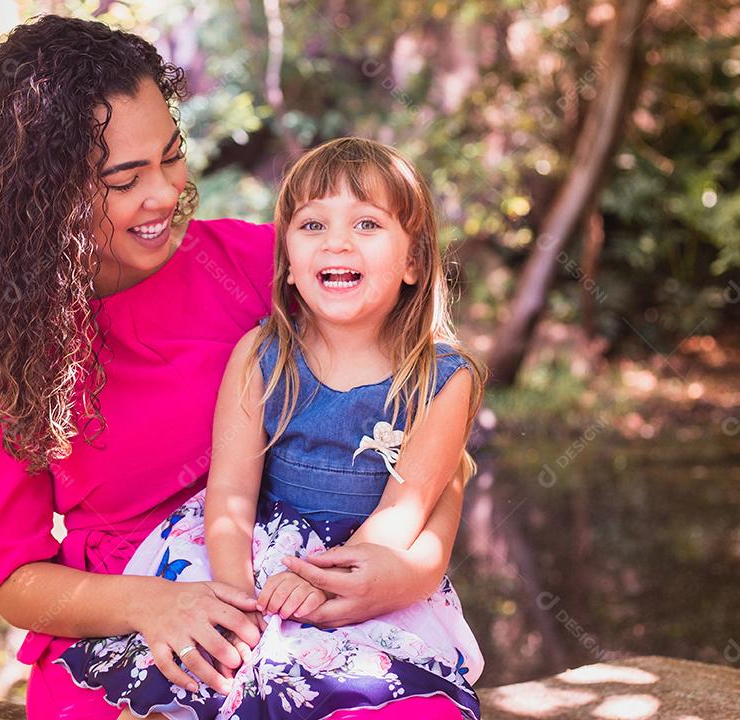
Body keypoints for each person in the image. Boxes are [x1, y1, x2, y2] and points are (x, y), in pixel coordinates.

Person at [0, 15, 474, 720]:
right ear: (41, 194)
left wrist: (413, 568)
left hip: (307, 586)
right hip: (134, 612)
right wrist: (155, 603)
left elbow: (424, 418)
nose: (163, 193)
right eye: (124, 178)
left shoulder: (263, 265)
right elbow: (13, 574)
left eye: (172, 157)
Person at [54, 137, 487, 719]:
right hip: (255, 560)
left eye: (366, 224)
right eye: (312, 225)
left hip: (366, 571)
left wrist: (325, 585)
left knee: (384, 701)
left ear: (413, 261)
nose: (337, 241)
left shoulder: (443, 377)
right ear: (287, 257)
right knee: (182, 692)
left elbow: (402, 512)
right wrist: (236, 602)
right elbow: (230, 495)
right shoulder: (261, 355)